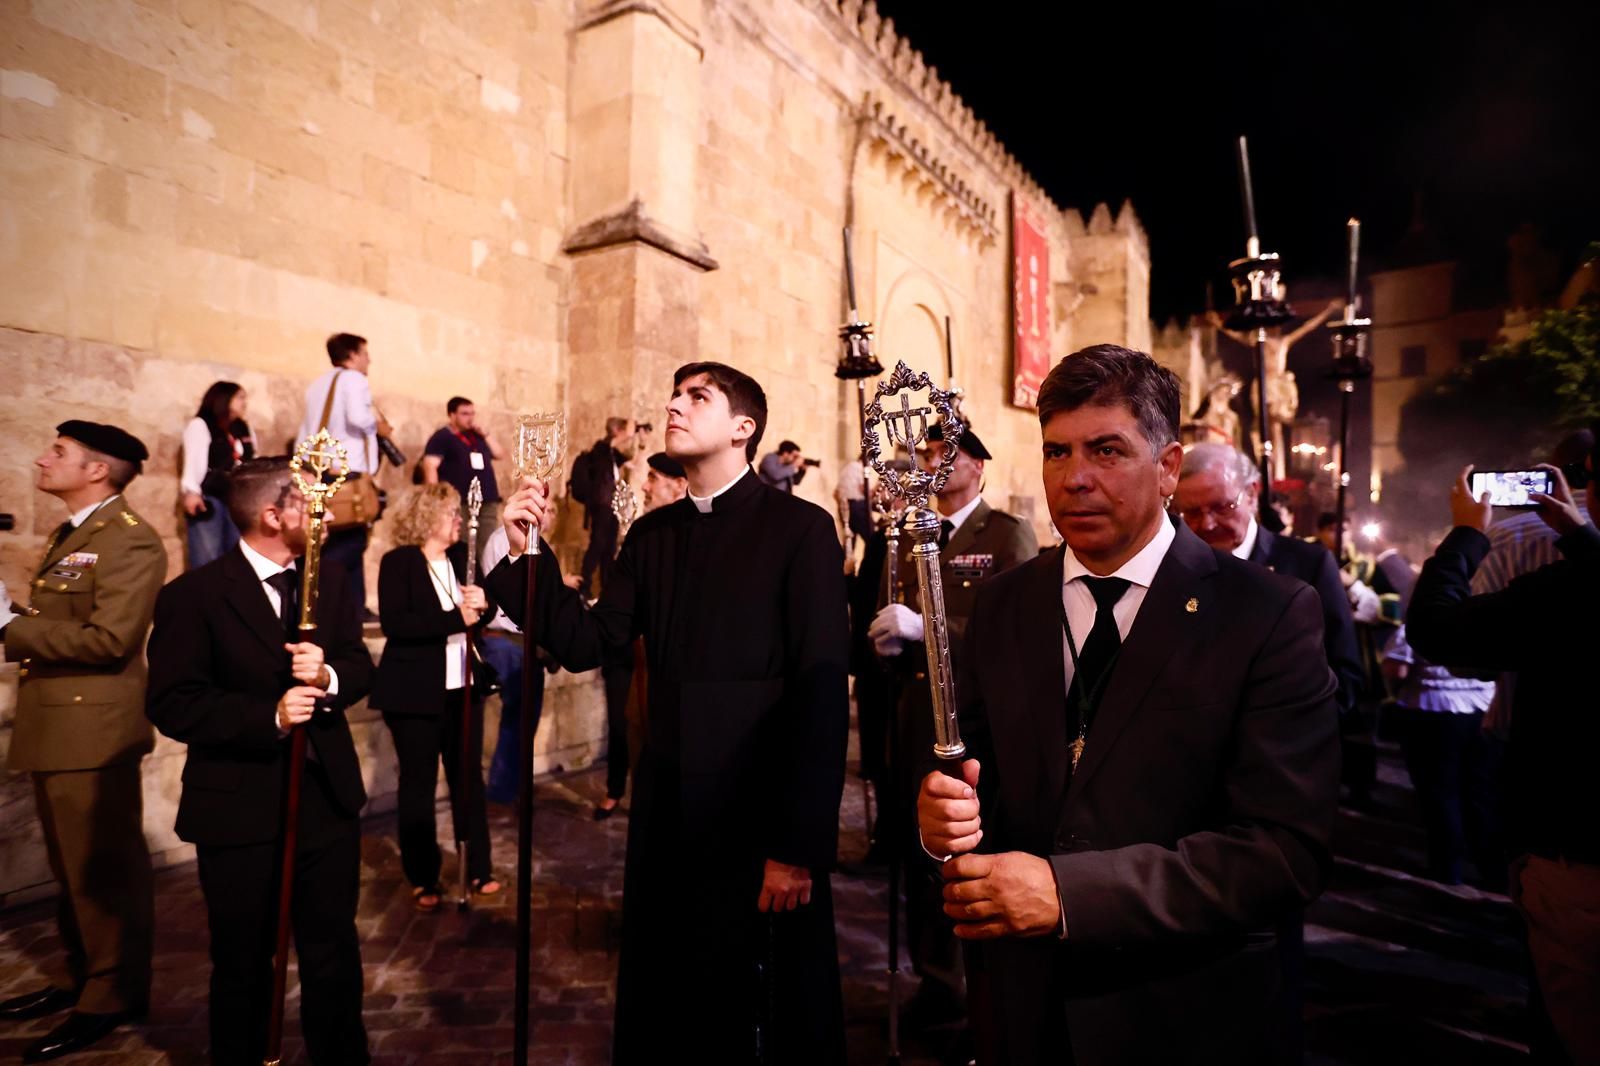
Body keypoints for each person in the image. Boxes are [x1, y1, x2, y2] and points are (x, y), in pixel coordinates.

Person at [916, 345, 1340, 1064]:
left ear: (1169, 466)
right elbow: (975, 777)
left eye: (1106, 450)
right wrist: (940, 820)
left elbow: (1284, 851)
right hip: (1022, 1011)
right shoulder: (1004, 605)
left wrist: (1069, 895)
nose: (1074, 478)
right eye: (1056, 452)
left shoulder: (1265, 615)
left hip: (1182, 1015)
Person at [486, 362, 849, 1063]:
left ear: (743, 428)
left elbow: (821, 695)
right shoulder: (652, 538)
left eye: (697, 397)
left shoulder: (800, 531)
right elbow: (589, 642)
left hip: (758, 820)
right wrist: (521, 550)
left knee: (768, 1012)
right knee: (673, 1003)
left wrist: (796, 847)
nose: (674, 406)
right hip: (670, 817)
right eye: (675, 394)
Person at [145, 457, 374, 1065]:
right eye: (311, 502)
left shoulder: (326, 584)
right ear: (275, 515)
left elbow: (358, 663)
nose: (323, 513)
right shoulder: (192, 596)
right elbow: (174, 703)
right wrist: (269, 717)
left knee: (332, 953)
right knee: (243, 960)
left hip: (324, 799)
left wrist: (326, 675)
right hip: (237, 808)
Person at [1407, 454, 1600, 1066]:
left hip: (1580, 858)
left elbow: (1437, 629)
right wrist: (1582, 536)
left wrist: (1467, 533)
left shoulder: (1571, 592)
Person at [1171, 440, 1358, 1060]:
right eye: (1188, 514)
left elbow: (1350, 683)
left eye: (1219, 508)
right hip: (1186, 804)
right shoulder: (1173, 567)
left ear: (1252, 495)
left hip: (1272, 799)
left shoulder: (1306, 566)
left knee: (1268, 973)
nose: (1205, 526)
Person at [867, 425, 1038, 1041]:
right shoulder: (919, 533)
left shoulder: (1003, 533)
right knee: (922, 851)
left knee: (970, 850)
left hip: (975, 720)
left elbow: (1019, 630)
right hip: (916, 709)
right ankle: (937, 980)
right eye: (927, 455)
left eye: (941, 456)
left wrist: (932, 628)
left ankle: (979, 990)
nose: (930, 465)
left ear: (974, 465)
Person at [0, 422, 165, 1062]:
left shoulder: (131, 542)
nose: (43, 459)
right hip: (59, 724)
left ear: (97, 470)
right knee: (73, 868)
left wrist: (12, 629)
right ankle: (81, 976)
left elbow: (109, 640)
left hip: (92, 731)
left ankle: (111, 995)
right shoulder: (72, 534)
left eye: (59, 452)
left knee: (104, 870)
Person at [371, 485, 498, 910]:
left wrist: (485, 603)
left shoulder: (462, 558)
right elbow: (397, 623)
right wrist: (452, 618)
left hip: (462, 686)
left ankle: (478, 868)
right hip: (413, 693)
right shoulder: (399, 563)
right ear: (426, 518)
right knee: (418, 786)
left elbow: (483, 610)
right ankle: (423, 876)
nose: (458, 520)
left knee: (468, 781)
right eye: (449, 513)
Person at [595, 451, 688, 820]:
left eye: (653, 479)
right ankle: (619, 789)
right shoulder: (642, 535)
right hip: (626, 655)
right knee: (625, 725)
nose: (645, 487)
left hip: (665, 668)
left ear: (680, 486)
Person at [1379, 625, 1497, 885]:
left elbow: (1397, 669)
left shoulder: (1423, 622)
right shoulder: (1485, 619)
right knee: (1478, 792)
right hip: (1482, 711)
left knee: (1440, 792)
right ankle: (1489, 867)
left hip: (1432, 709)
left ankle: (1448, 867)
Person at [299, 332, 390, 618]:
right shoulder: (354, 379)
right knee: (349, 541)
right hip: (345, 473)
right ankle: (323, 603)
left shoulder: (317, 385)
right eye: (365, 353)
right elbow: (357, 418)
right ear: (351, 355)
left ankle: (352, 606)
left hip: (318, 469)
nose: (369, 359)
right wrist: (379, 425)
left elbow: (307, 428)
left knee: (338, 538)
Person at [180, 381, 256, 569]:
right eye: (240, 398)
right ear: (224, 399)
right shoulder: (202, 424)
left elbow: (252, 459)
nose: (244, 403)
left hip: (237, 499)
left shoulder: (242, 428)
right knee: (208, 555)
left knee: (236, 556)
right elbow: (194, 460)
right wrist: (191, 491)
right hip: (210, 498)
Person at [421, 396, 506, 559]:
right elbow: (430, 465)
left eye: (472, 413)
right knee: (463, 544)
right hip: (461, 501)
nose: (470, 418)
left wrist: (486, 434)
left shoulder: (477, 436)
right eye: (465, 414)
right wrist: (435, 497)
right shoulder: (442, 437)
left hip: (487, 500)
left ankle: (484, 581)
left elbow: (500, 453)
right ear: (452, 415)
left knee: (487, 544)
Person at [569, 416, 637, 597]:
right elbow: (613, 443)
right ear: (616, 431)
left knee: (610, 548)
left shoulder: (612, 455)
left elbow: (631, 459)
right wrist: (629, 429)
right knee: (597, 544)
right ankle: (584, 584)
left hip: (611, 505)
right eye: (622, 430)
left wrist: (640, 438)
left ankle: (607, 588)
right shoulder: (601, 448)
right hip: (601, 504)